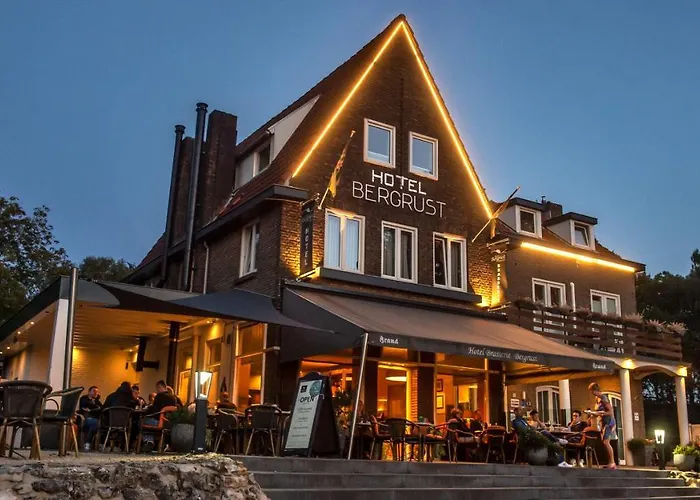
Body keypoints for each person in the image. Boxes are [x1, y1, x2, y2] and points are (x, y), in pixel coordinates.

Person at [588, 382, 618, 469]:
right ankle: (610, 462)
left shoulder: (603, 398)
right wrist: (592, 415)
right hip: (603, 422)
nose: (592, 393)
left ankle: (612, 462)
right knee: (604, 442)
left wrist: (599, 413)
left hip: (609, 422)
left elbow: (610, 412)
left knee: (606, 442)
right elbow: (598, 412)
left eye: (592, 391)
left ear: (595, 390)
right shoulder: (597, 399)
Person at [79, 386, 102, 451]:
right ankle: (88, 443)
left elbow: (101, 409)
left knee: (95, 424)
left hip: (95, 419)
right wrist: (95, 408)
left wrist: (91, 410)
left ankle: (88, 443)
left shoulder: (97, 401)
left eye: (97, 392)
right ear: (89, 392)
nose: (96, 393)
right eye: (94, 391)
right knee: (94, 423)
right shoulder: (84, 398)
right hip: (85, 419)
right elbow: (85, 406)